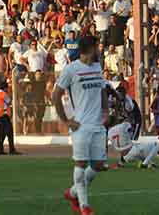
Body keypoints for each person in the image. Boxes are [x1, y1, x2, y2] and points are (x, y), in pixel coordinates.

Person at [52, 35, 108, 215]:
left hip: (98, 125)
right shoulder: (71, 69)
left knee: (99, 165)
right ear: (90, 49)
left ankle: (73, 192)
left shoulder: (97, 67)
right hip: (80, 126)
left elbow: (102, 89)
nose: (99, 50)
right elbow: (56, 95)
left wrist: (105, 110)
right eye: (97, 47)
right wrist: (66, 120)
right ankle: (84, 206)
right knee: (81, 164)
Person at [0, 81, 20, 155]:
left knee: (1, 134)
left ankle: (0, 150)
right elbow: (9, 101)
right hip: (4, 115)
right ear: (5, 88)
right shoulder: (3, 94)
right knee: (10, 133)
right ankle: (11, 150)